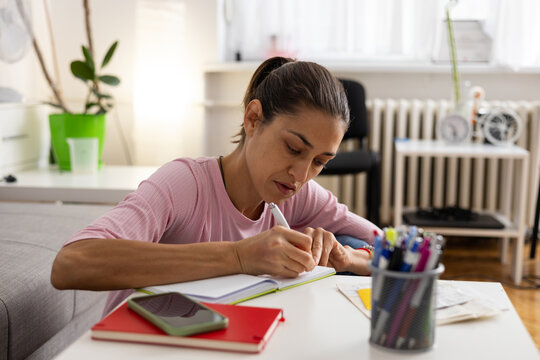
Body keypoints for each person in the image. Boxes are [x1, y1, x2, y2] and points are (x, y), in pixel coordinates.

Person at [51, 57, 381, 316]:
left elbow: (393, 248)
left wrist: (346, 257)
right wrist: (239, 256)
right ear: (253, 119)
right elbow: (71, 263)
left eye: (320, 162)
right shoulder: (184, 184)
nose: (301, 175)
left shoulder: (297, 192)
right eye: (294, 149)